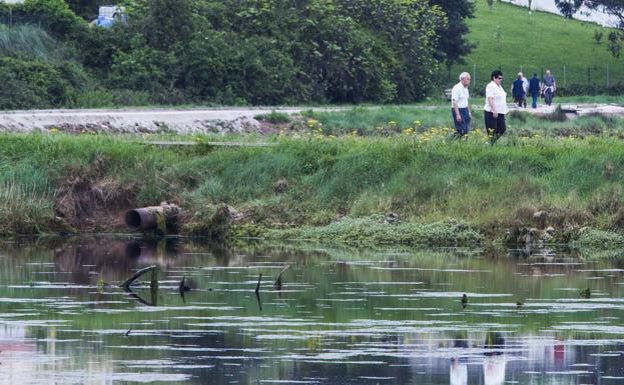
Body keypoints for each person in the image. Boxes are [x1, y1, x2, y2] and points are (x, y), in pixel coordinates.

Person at [484, 70, 508, 143]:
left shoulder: (499, 86)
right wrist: (494, 110)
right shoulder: (491, 86)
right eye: (499, 78)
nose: (500, 80)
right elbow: (490, 98)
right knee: (492, 130)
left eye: (501, 78)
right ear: (494, 78)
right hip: (492, 112)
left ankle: (491, 142)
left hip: (500, 112)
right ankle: (491, 143)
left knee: (502, 128)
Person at [451, 72, 472, 137]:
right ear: (463, 79)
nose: (469, 81)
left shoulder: (466, 89)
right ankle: (448, 141)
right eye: (468, 79)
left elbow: (466, 101)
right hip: (458, 110)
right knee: (461, 130)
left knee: (466, 130)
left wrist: (469, 112)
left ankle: (463, 144)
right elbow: (455, 101)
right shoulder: (456, 88)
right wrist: (457, 114)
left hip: (465, 109)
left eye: (469, 79)